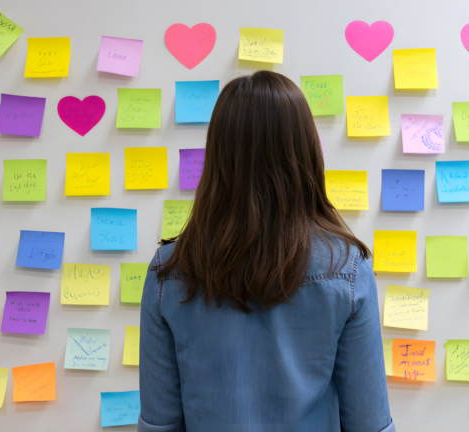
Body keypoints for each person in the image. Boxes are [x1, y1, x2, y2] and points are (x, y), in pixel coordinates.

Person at [138, 70, 394, 432]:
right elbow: (370, 425)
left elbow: (159, 426)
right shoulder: (347, 268)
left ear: (218, 157)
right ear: (306, 151)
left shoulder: (169, 270)